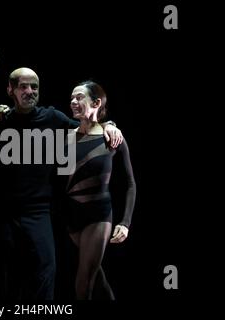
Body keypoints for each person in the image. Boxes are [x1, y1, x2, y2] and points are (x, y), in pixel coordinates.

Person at [0, 68, 123, 300]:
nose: (29, 91)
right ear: (10, 90)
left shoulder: (53, 118)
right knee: (7, 279)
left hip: (39, 212)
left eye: (34, 87)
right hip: (4, 214)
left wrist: (109, 123)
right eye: (23, 86)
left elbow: (86, 127)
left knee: (45, 276)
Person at [62, 80, 136, 300]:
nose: (73, 102)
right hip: (68, 217)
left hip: (98, 217)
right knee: (97, 278)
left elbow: (130, 184)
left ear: (96, 102)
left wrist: (125, 222)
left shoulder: (113, 138)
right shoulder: (63, 138)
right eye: (72, 98)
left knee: (83, 283)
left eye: (79, 97)